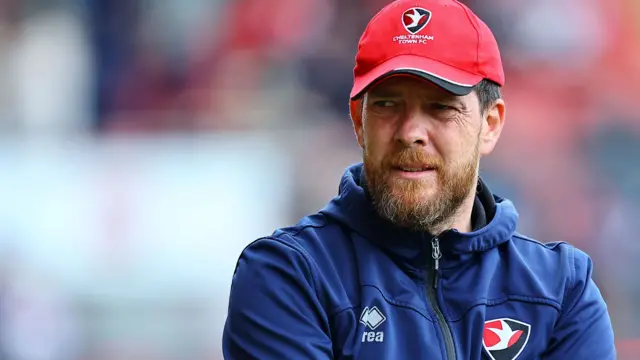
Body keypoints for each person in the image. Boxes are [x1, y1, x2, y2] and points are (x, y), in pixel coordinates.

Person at [222, 0, 616, 359]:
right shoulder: (289, 275)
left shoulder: (561, 289)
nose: (410, 131)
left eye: (441, 108)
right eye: (388, 104)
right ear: (359, 121)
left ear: (490, 125)